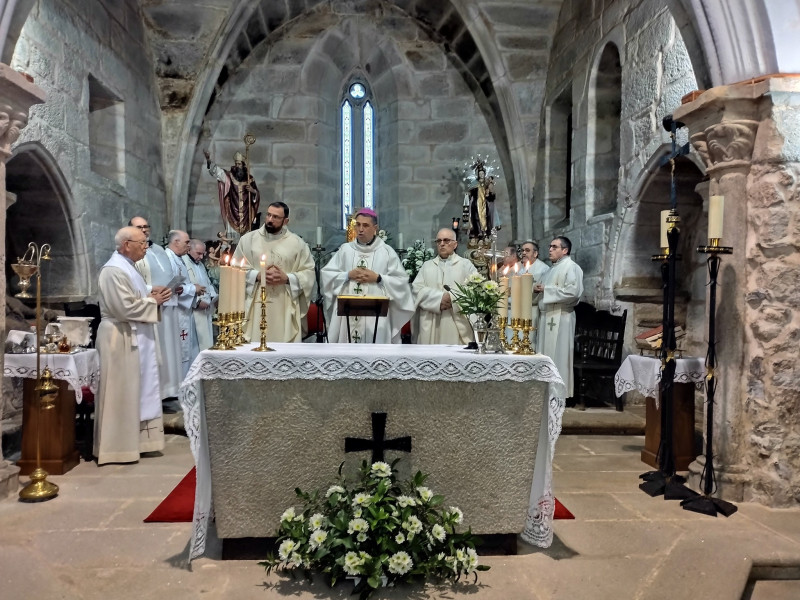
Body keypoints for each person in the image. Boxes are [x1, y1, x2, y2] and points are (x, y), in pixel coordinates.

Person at [94, 226, 171, 465]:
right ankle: (116, 448)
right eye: (142, 243)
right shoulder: (112, 270)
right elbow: (123, 307)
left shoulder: (128, 267)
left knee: (134, 391)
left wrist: (150, 290)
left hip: (132, 335)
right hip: (119, 338)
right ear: (127, 244)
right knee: (120, 394)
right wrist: (153, 301)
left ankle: (136, 443)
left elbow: (133, 292)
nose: (145, 247)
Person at [321, 208, 414, 344]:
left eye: (365, 225)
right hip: (348, 311)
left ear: (375, 228)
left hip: (376, 314)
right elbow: (327, 275)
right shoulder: (345, 250)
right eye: (358, 225)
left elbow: (401, 282)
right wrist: (347, 275)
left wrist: (378, 278)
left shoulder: (386, 252)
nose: (360, 229)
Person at [233, 201, 315, 343]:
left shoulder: (297, 244)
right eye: (269, 215)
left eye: (276, 217)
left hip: (284, 302)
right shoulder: (248, 240)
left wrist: (288, 278)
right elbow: (234, 268)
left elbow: (309, 272)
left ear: (286, 221)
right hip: (256, 302)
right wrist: (257, 276)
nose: (270, 220)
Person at [130, 216, 183, 407]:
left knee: (170, 349)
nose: (144, 230)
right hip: (152, 305)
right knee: (158, 349)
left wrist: (175, 287)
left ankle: (170, 389)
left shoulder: (159, 249)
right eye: (139, 227)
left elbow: (167, 273)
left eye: (146, 226)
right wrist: (152, 288)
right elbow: (133, 281)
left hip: (169, 303)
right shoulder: (132, 252)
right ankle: (158, 391)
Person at [533, 236, 583, 397]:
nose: (550, 249)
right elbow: (542, 291)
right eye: (550, 246)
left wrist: (546, 289)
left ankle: (560, 393)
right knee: (545, 355)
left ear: (565, 250)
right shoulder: (551, 269)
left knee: (559, 356)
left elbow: (573, 292)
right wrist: (537, 290)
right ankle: (546, 391)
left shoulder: (572, 267)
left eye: (555, 247)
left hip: (561, 317)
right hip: (547, 316)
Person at [412, 228, 477, 345]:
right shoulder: (427, 266)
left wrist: (452, 298)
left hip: (455, 323)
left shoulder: (465, 265)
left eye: (446, 240)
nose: (442, 244)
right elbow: (416, 290)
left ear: (455, 244)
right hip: (431, 323)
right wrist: (438, 299)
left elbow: (476, 289)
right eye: (439, 241)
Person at [165, 230, 205, 377]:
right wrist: (194, 288)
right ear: (176, 242)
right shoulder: (168, 259)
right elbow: (174, 288)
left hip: (183, 311)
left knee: (186, 350)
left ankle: (185, 382)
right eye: (187, 242)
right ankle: (179, 384)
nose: (189, 245)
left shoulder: (178, 258)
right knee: (180, 351)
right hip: (175, 312)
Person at [204, 149, 260, 237]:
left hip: (246, 213)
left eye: (240, 164)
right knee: (233, 238)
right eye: (236, 164)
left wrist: (253, 191)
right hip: (232, 211)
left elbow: (256, 195)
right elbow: (217, 172)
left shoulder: (250, 179)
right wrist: (208, 160)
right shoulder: (229, 176)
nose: (237, 166)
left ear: (243, 165)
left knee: (246, 238)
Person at [183, 239, 218, 356]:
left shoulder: (201, 265)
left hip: (206, 311)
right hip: (193, 312)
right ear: (189, 250)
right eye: (199, 253)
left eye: (203, 253)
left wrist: (214, 297)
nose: (202, 256)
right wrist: (197, 302)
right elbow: (183, 287)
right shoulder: (184, 263)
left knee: (206, 342)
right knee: (195, 347)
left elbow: (207, 283)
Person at [468, 161, 496, 242]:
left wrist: (490, 191)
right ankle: (478, 233)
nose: (481, 175)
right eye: (479, 174)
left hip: (485, 204)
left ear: (484, 174)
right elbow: (470, 193)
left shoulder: (487, 183)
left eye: (482, 174)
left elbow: (492, 195)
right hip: (476, 204)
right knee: (476, 218)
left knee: (486, 218)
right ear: (477, 175)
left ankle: (485, 233)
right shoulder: (474, 183)